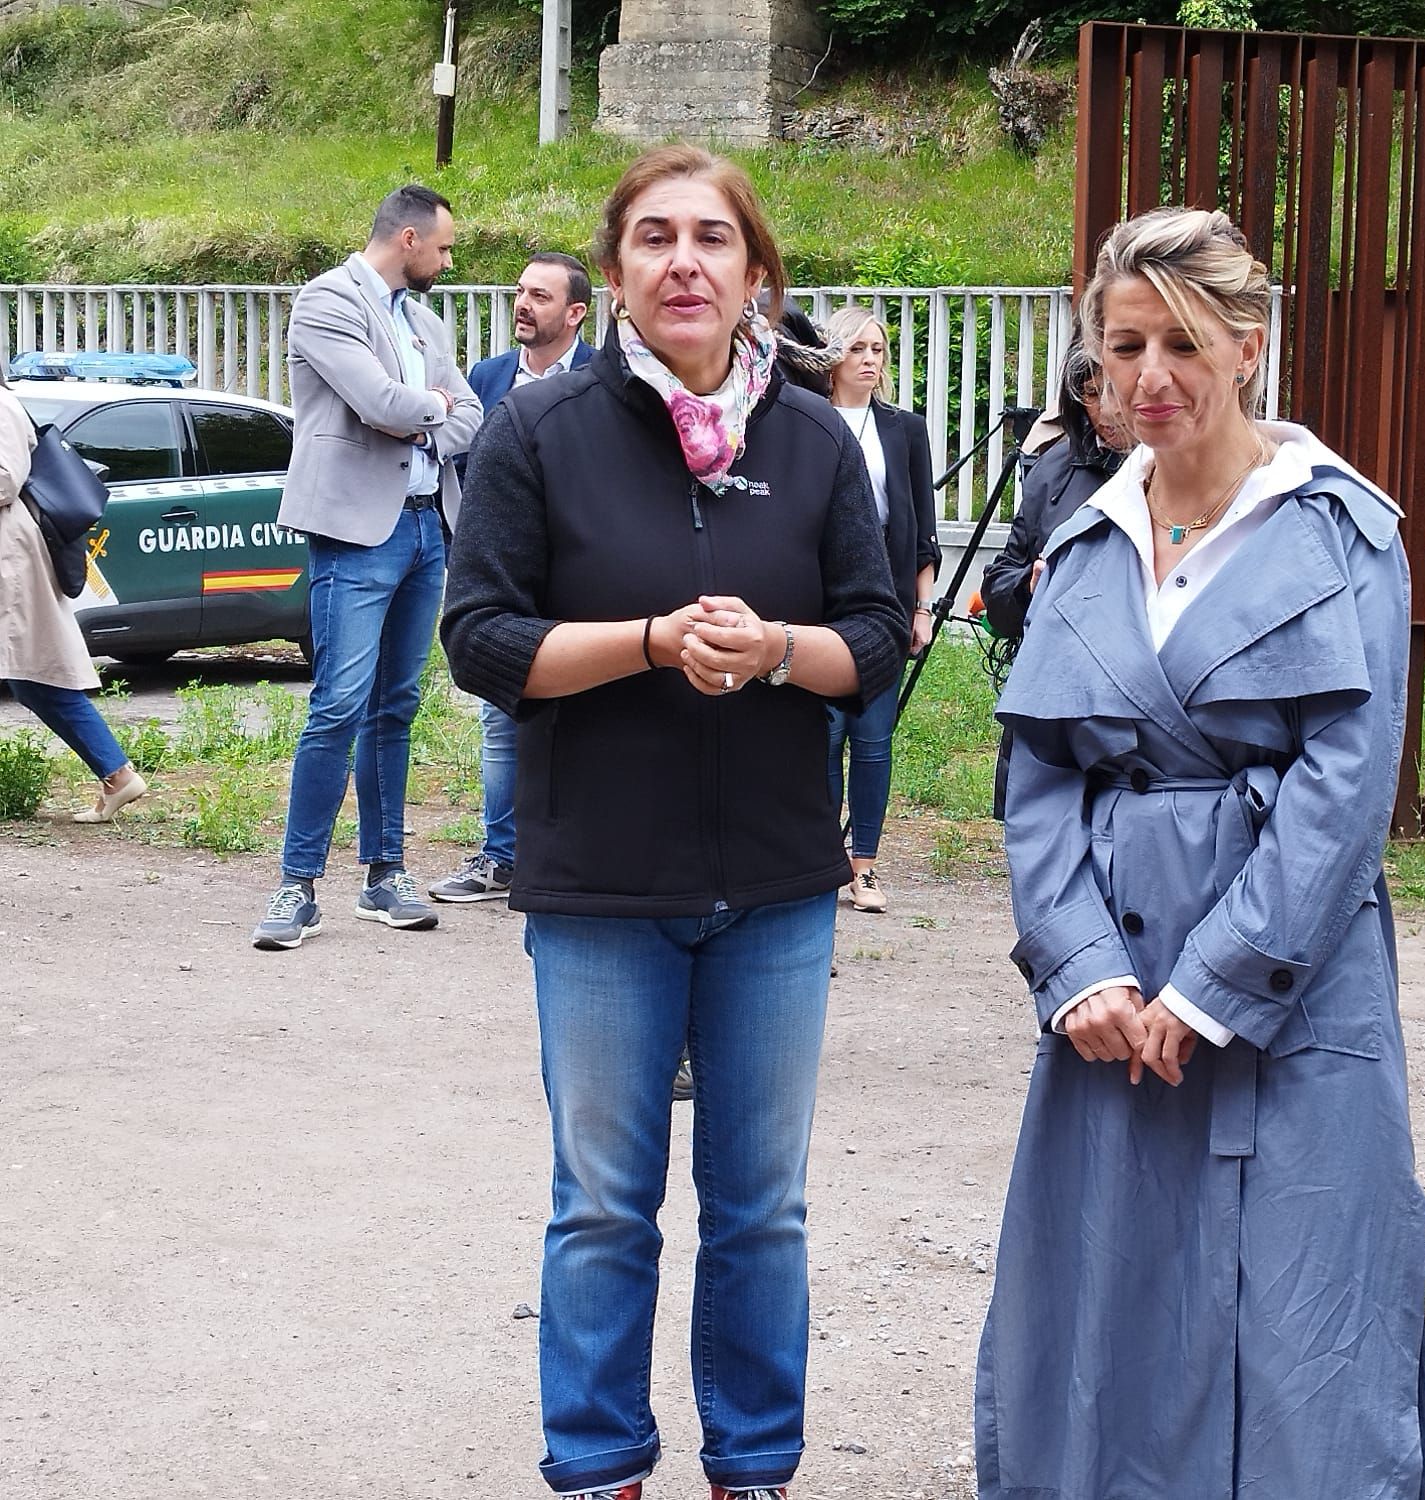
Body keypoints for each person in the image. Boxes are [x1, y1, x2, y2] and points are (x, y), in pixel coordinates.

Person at [438, 144, 904, 1500]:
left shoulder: (811, 440)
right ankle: (598, 1464)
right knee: (601, 1206)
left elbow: (876, 639)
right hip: (600, 883)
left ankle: (751, 1465)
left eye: (712, 238)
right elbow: (480, 640)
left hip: (775, 885)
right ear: (615, 272)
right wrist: (650, 640)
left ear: (758, 276)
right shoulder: (540, 431)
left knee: (762, 1209)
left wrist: (777, 652)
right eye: (654, 237)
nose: (683, 261)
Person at [975, 206, 1425, 1498]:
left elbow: (1346, 782)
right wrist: (1079, 966)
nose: (1150, 376)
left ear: (1246, 345)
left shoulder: (1338, 528)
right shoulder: (1084, 538)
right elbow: (1038, 778)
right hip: (1110, 997)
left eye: (1181, 342)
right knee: (1107, 1300)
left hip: (1293, 983)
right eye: (1124, 346)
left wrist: (1215, 986)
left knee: (1298, 1313)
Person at [251, 184, 481, 950]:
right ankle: (297, 885)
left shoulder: (422, 320)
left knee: (396, 708)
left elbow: (471, 412)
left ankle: (386, 875)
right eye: (444, 249)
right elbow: (380, 401)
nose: (448, 262)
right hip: (355, 534)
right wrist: (428, 409)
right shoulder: (327, 301)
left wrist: (426, 418)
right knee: (338, 706)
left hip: (425, 528)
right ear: (408, 239)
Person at [429, 252, 596, 905]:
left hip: (581, 574)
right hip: (505, 577)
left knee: (584, 714)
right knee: (501, 718)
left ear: (576, 313)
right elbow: (465, 474)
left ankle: (579, 851)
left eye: (540, 296)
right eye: (521, 291)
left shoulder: (603, 377)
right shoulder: (489, 376)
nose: (523, 304)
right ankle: (501, 858)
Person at [818, 303, 939, 913]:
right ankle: (821, 858)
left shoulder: (903, 429)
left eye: (878, 350)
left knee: (872, 738)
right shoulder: (807, 419)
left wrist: (922, 607)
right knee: (822, 735)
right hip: (817, 597)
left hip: (886, 597)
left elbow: (922, 525)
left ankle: (863, 863)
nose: (870, 360)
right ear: (832, 355)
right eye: (857, 348)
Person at [979, 343, 1129, 815]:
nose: (1107, 409)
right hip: (1051, 693)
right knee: (1039, 831)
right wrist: (1030, 583)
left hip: (1133, 707)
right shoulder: (1052, 468)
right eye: (1092, 393)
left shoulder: (1178, 471)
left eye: (1115, 389)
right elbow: (998, 583)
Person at [0, 374, 148, 822]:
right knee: (31, 678)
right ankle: (116, 774)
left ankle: (117, 773)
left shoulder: (1, 407)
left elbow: (6, 479)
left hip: (11, 555)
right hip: (11, 553)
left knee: (36, 673)